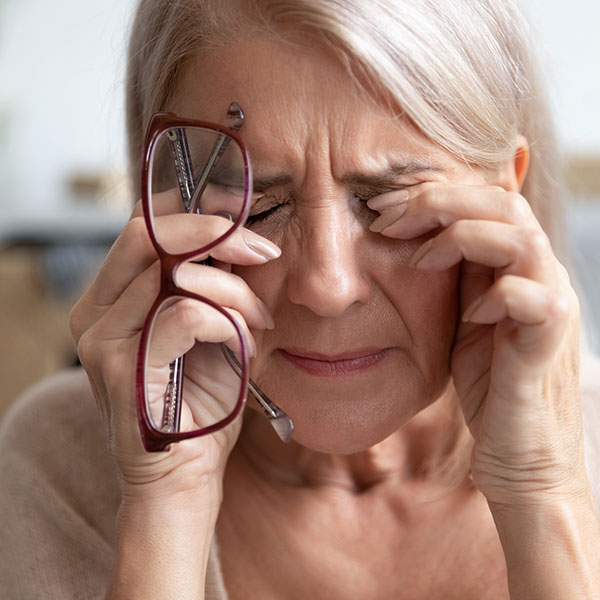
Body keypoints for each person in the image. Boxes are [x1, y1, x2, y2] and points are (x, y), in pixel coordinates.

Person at [1, 0, 599, 598]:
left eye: (394, 204)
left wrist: (543, 489)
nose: (328, 289)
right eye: (256, 210)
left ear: (504, 197)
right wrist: (164, 507)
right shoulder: (55, 466)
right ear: (164, 208)